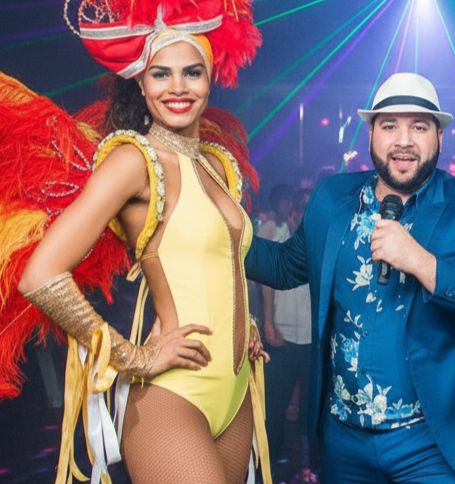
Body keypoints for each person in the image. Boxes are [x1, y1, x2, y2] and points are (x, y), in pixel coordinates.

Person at [7, 1, 271, 482]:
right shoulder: (134, 161)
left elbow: (217, 262)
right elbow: (40, 275)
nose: (177, 87)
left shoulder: (217, 164)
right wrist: (133, 357)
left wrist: (244, 323)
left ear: (210, 78)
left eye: (191, 72)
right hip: (173, 396)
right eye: (160, 74)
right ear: (141, 83)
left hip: (236, 394)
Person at [244, 72, 455, 483]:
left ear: (439, 137)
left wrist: (423, 263)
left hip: (436, 445)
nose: (404, 141)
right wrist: (218, 228)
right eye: (390, 126)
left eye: (419, 127)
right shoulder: (332, 198)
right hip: (345, 441)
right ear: (371, 134)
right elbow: (285, 266)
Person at [258, 185, 314, 470]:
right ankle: (272, 460)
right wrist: (268, 323)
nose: (301, 217)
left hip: (313, 339)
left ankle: (312, 460)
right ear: (291, 215)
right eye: (298, 211)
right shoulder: (277, 241)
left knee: (313, 405)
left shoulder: (322, 247)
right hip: (282, 336)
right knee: (276, 402)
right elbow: (266, 285)